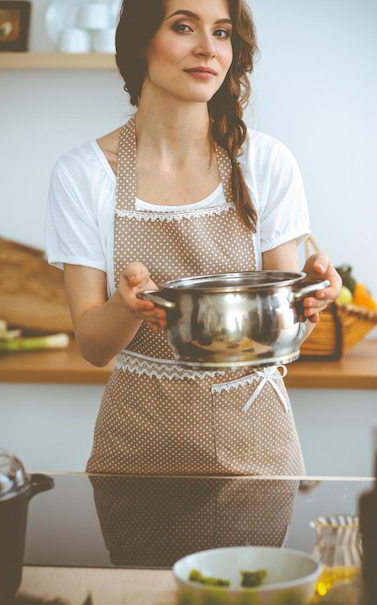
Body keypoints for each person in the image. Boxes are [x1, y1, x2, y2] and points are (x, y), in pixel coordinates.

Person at [46, 0, 341, 476]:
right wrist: (126, 306)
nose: (208, 48)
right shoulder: (84, 174)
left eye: (222, 33)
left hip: (257, 442)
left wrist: (310, 298)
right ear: (142, 41)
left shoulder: (265, 164)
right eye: (184, 27)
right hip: (139, 446)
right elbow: (94, 348)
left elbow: (283, 338)